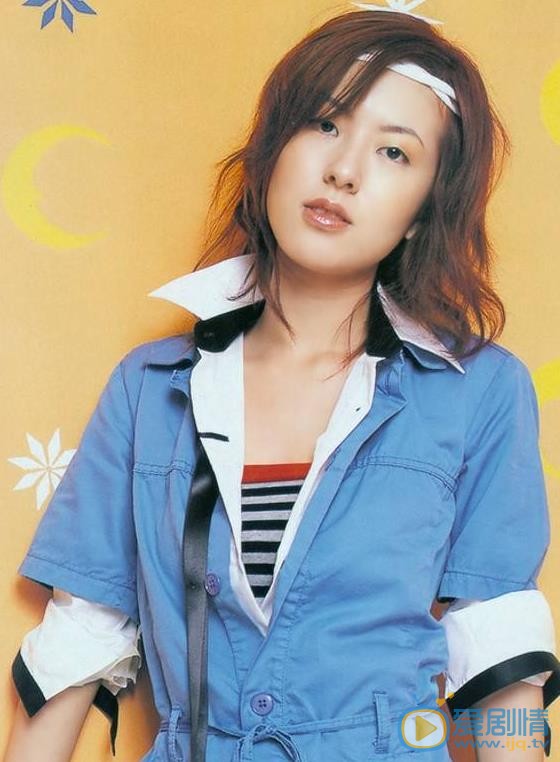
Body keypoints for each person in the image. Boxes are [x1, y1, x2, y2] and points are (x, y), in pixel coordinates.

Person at [4, 4, 560, 762]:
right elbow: (74, 651)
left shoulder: (481, 392)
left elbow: (500, 667)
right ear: (273, 148)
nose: (344, 170)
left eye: (394, 152)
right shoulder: (148, 388)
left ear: (422, 211)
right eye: (324, 124)